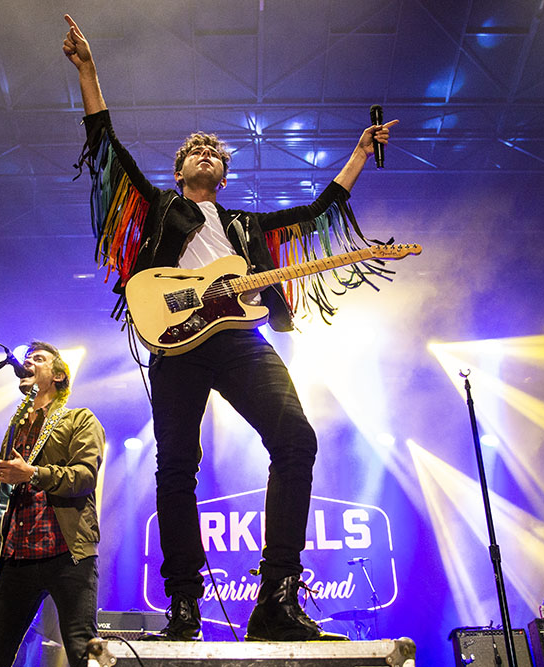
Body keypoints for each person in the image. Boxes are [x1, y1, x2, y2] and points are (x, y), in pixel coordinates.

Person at [63, 15, 397, 642]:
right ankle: (184, 604)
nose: (208, 154)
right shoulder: (162, 207)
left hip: (240, 338)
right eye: (197, 150)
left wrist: (356, 156)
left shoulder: (246, 227)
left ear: (225, 174)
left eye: (217, 153)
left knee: (297, 439)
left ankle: (276, 596)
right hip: (174, 343)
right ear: (181, 168)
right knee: (176, 469)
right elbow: (108, 146)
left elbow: (316, 212)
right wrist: (89, 71)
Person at [0, 342, 105, 667]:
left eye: (39, 359)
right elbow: (7, 483)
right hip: (17, 557)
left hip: (67, 554)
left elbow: (84, 476)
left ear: (59, 375)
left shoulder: (79, 419)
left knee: (83, 650)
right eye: (27, 357)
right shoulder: (15, 428)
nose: (28, 361)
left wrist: (32, 473)